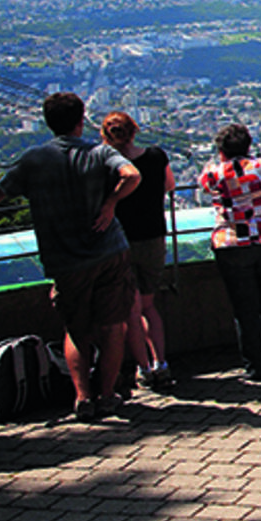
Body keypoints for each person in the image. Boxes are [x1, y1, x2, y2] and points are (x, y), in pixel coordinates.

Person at [0, 92, 139, 420]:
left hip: (65, 258)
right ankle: (109, 394)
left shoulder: (33, 160)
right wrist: (110, 204)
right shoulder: (98, 152)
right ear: (80, 120)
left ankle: (83, 396)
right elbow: (132, 176)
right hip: (109, 250)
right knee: (113, 326)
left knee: (76, 329)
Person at [199, 123, 261, 382]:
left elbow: (205, 183)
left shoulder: (214, 173)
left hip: (232, 241)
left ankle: (256, 366)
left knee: (245, 307)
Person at [101, 111, 175, 393]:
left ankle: (144, 368)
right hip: (153, 237)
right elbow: (169, 186)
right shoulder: (156, 156)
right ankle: (161, 364)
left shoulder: (107, 166)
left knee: (130, 310)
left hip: (120, 242)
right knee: (148, 305)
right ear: (134, 130)